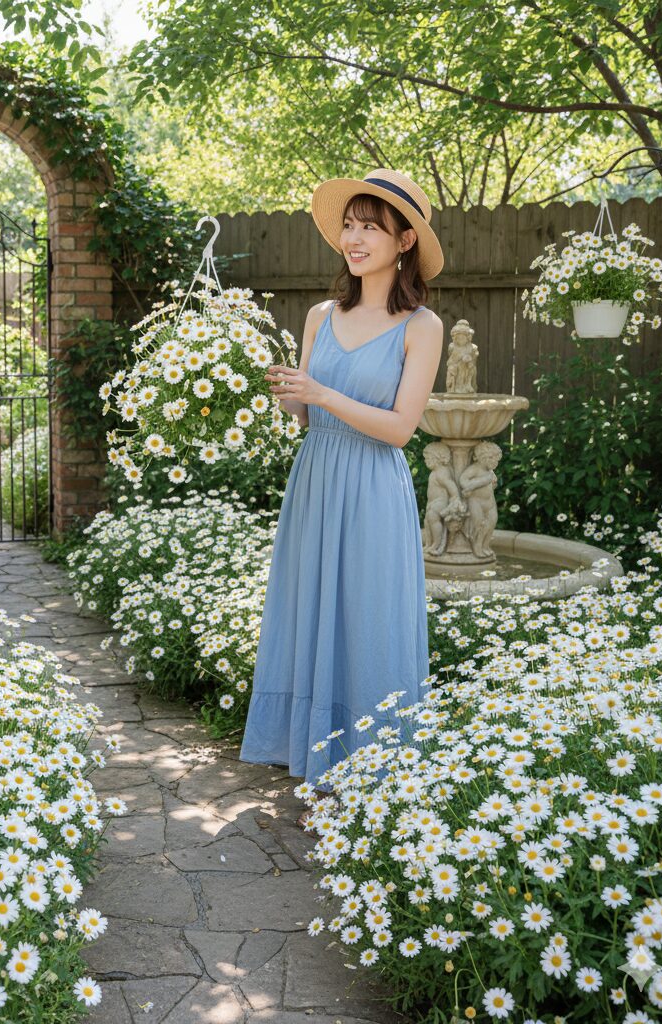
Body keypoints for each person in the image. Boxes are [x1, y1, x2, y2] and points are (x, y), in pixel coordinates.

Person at [237, 169, 445, 827]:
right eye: (349, 226)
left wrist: (323, 394)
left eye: (371, 228)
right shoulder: (319, 316)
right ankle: (321, 768)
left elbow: (401, 428)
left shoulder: (422, 325)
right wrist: (293, 399)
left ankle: (377, 770)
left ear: (405, 239)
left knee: (369, 621)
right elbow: (305, 420)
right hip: (316, 480)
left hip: (375, 488)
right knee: (312, 615)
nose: (354, 240)